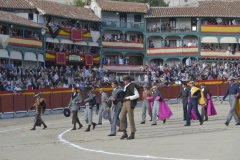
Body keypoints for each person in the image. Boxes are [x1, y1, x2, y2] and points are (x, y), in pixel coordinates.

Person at [119, 75, 140, 140]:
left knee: (130, 118)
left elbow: (137, 95)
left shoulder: (132, 86)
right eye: (124, 80)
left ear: (128, 80)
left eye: (125, 80)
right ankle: (124, 133)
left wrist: (128, 97)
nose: (124, 81)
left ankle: (132, 133)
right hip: (125, 102)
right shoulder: (126, 86)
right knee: (121, 117)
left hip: (130, 102)